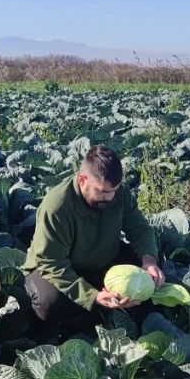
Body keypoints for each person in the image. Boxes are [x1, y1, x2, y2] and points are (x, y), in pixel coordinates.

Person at [21, 145, 164, 340]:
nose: (110, 197)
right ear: (82, 180)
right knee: (49, 304)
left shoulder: (118, 193)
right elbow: (51, 263)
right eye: (103, 191)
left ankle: (133, 315)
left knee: (153, 261)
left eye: (113, 190)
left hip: (102, 260)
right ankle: (79, 322)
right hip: (57, 268)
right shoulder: (56, 208)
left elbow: (140, 229)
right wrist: (92, 297)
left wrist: (149, 261)